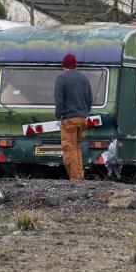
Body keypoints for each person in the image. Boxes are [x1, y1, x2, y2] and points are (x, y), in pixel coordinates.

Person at [55, 53, 93, 181]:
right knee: (76, 147)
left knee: (68, 147)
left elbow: (59, 100)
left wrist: (58, 117)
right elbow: (90, 99)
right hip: (82, 118)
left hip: (69, 119)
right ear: (74, 65)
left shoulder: (61, 78)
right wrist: (85, 113)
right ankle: (79, 175)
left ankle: (75, 178)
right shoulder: (84, 78)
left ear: (64, 65)